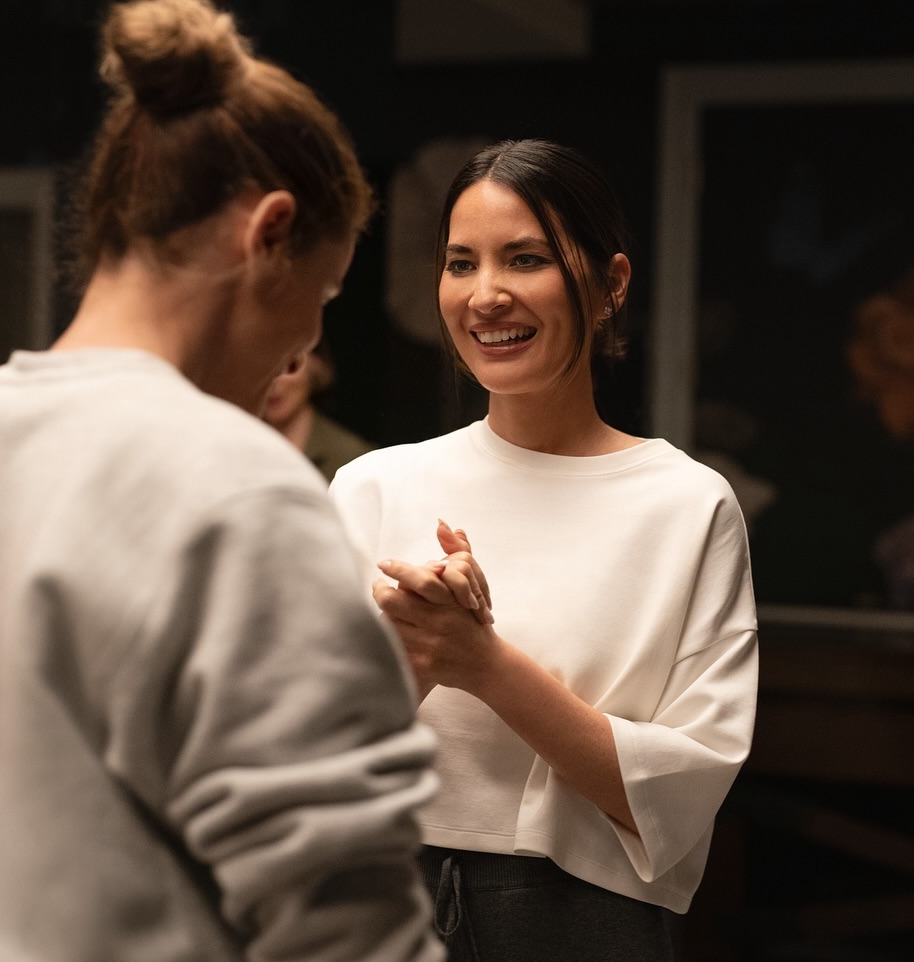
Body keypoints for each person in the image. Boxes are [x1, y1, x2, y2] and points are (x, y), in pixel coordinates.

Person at [0, 2, 441, 960]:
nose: (306, 348)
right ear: (270, 234)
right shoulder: (237, 491)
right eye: (323, 294)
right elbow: (352, 935)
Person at [329, 139, 759, 961]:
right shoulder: (372, 487)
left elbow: (682, 795)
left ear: (611, 285)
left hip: (582, 920)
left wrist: (484, 664)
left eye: (525, 259)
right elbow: (301, 756)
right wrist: (416, 659)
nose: (485, 295)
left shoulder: (686, 504)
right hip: (376, 900)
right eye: (461, 263)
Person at [262, 340, 375, 480]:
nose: (273, 382)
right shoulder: (239, 450)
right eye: (260, 369)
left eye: (288, 366)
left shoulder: (356, 460)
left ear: (316, 363)